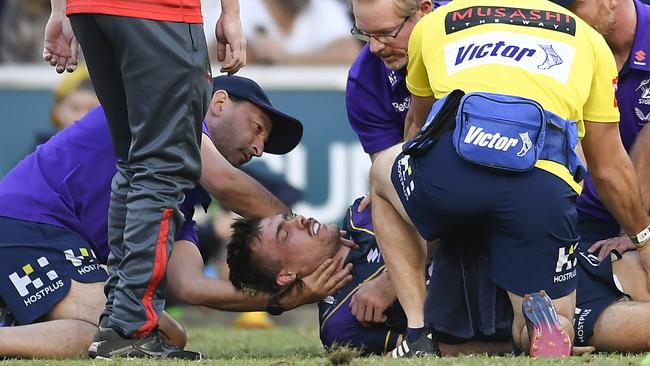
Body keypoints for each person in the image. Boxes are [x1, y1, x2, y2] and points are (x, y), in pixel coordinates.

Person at [365, 0, 650, 358]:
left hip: (452, 176)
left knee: (380, 173)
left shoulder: (435, 22)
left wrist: (416, 195)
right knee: (557, 316)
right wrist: (644, 237)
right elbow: (608, 167)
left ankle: (418, 332)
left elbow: (419, 129)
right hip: (540, 189)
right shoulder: (589, 40)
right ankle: (544, 325)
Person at [0, 76, 352, 359]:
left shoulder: (183, 195)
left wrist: (282, 300)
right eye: (258, 128)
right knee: (122, 332)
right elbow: (226, 182)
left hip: (50, 238)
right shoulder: (175, 114)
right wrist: (303, 229)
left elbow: (189, 285)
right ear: (219, 102)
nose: (259, 148)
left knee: (166, 334)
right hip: (25, 223)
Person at [42, 0, 246, 359]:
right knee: (160, 169)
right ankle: (130, 328)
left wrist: (60, 9)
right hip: (158, 12)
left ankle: (118, 322)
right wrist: (230, 12)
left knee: (134, 164)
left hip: (88, 9)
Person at [226, 197, 512, 356]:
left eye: (288, 217)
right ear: (287, 275)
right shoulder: (339, 326)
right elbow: (432, 350)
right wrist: (518, 343)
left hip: (512, 252)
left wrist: (392, 278)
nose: (298, 220)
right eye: (285, 233)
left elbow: (456, 211)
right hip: (504, 316)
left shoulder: (361, 214)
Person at [559, 0, 650, 352]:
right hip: (588, 221)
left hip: (635, 223)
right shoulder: (568, 42)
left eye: (572, 6)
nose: (563, 17)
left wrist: (635, 231)